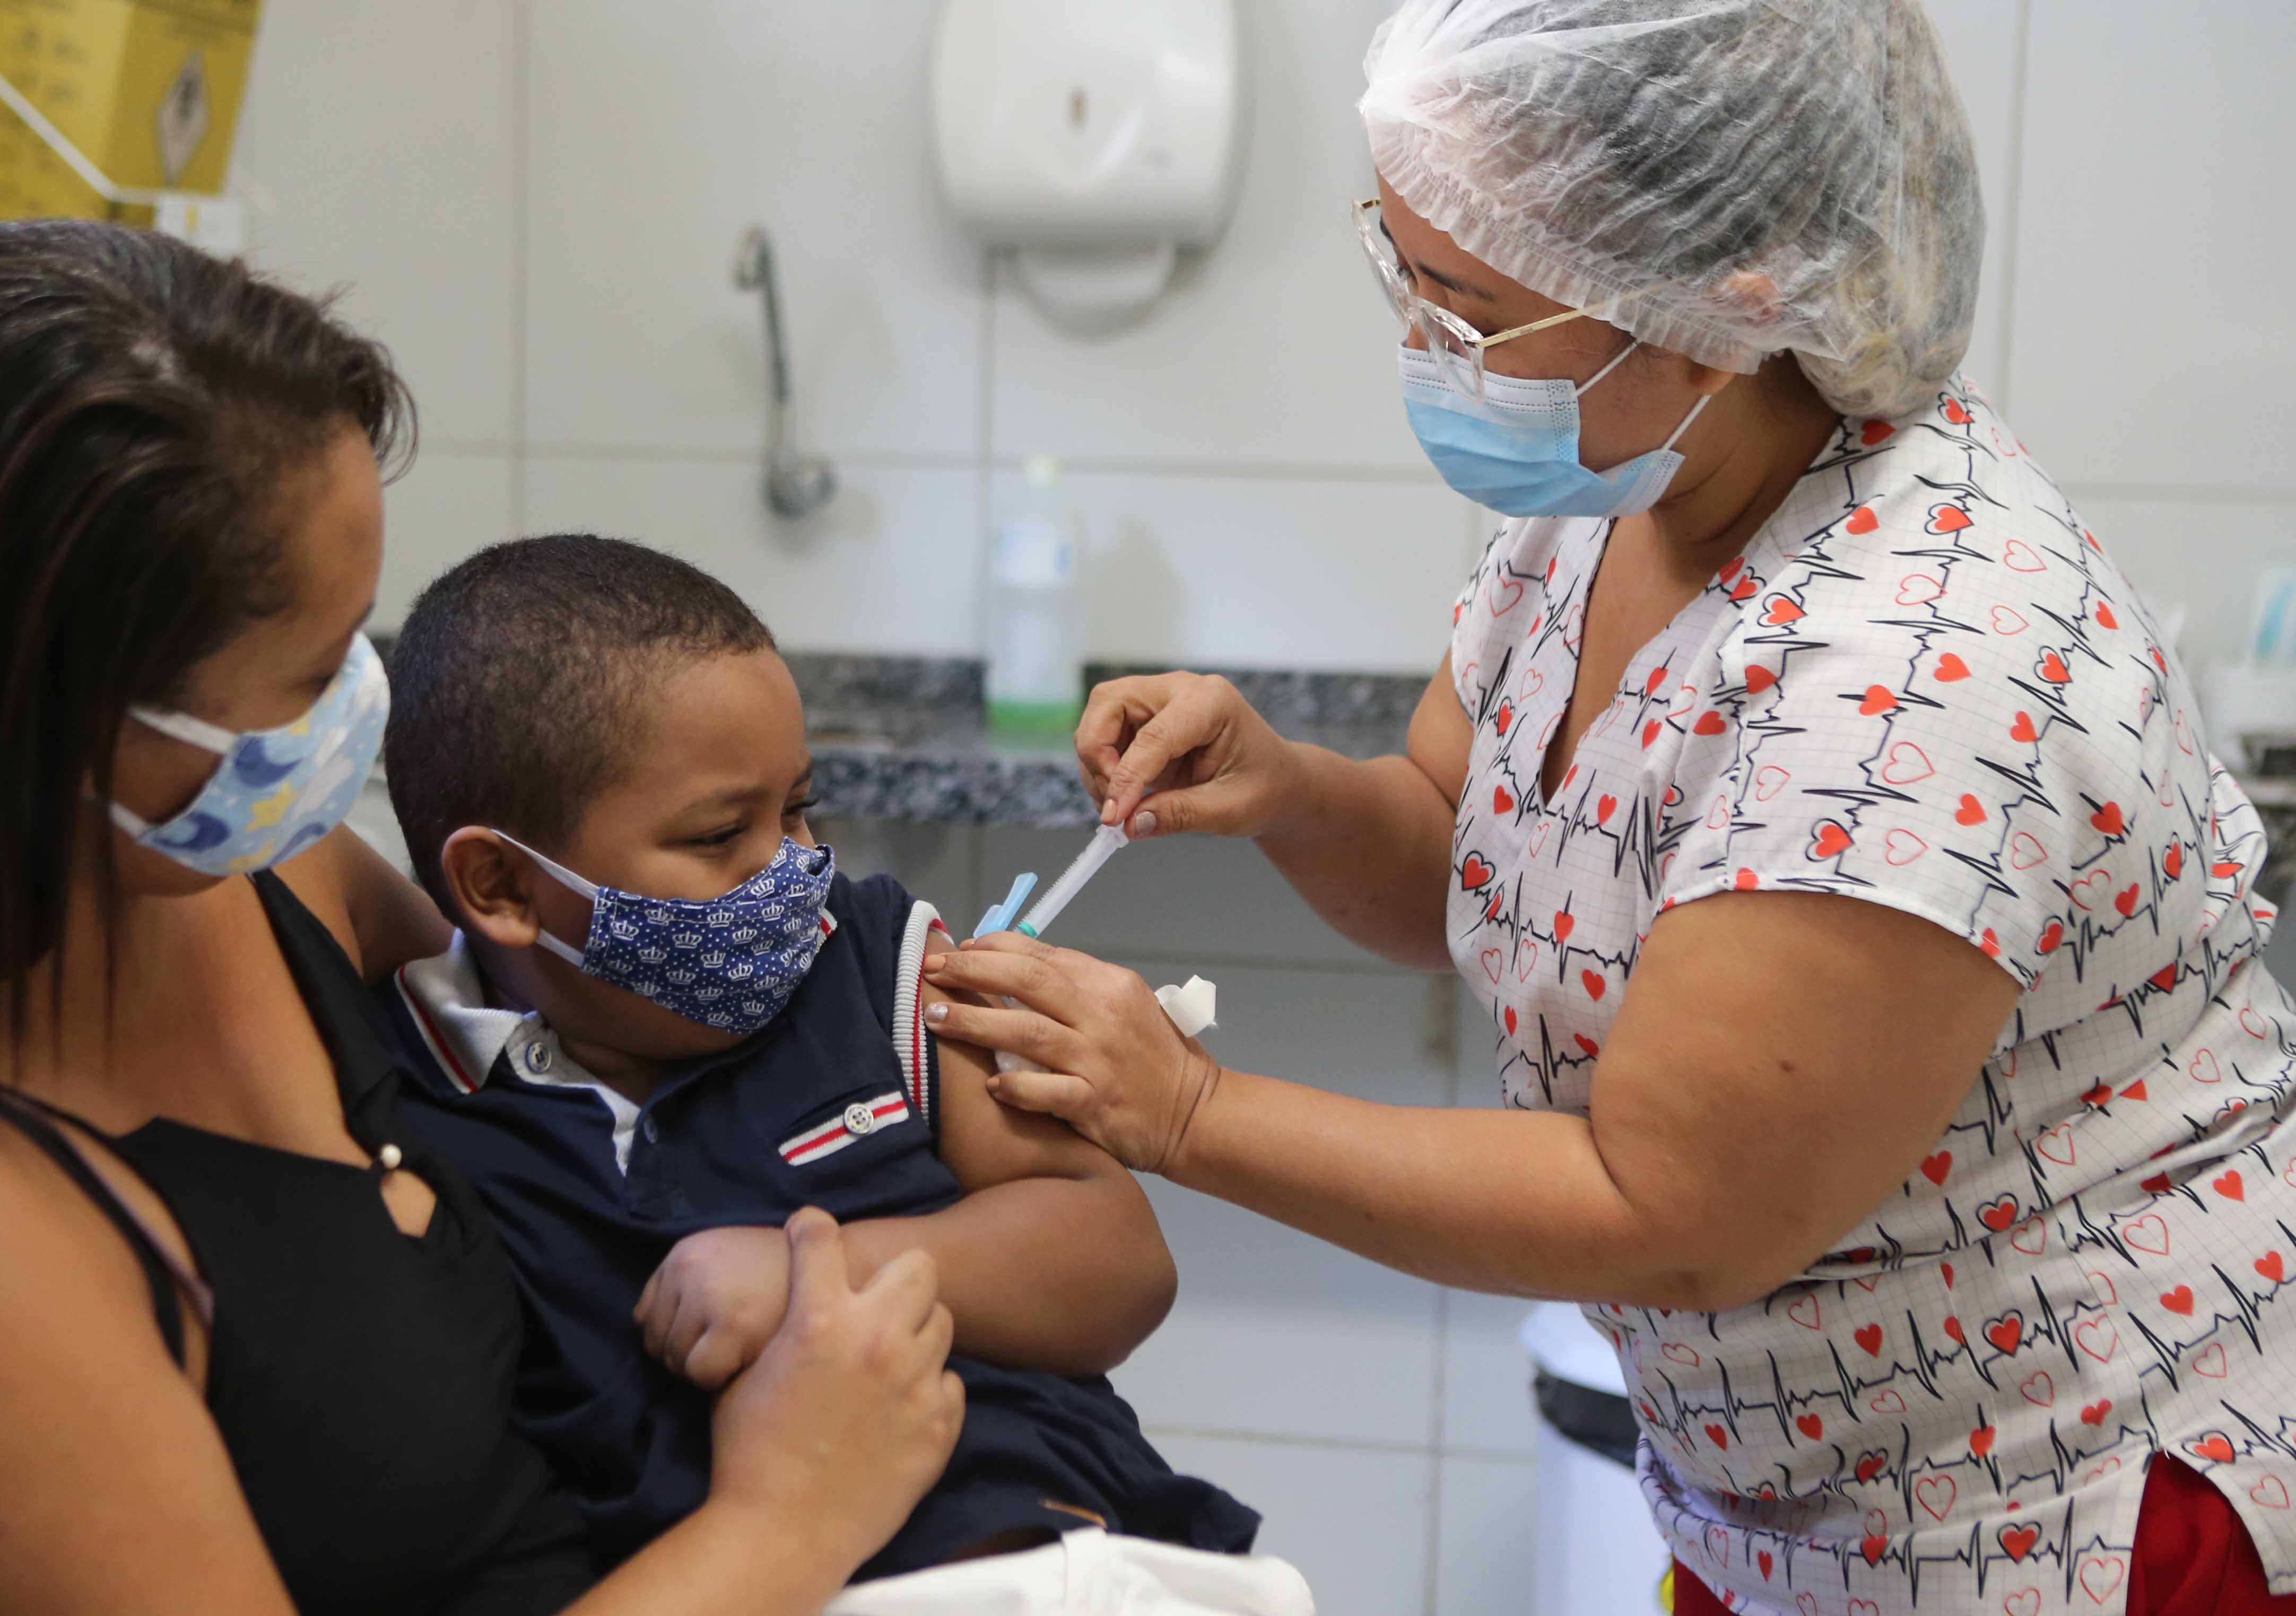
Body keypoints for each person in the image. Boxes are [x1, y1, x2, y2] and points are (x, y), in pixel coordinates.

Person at [917, 3, 2296, 1612]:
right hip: (1791, 1500)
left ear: (1728, 304)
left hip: (2063, 1509)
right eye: (1408, 275)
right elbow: (1461, 842)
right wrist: (1286, 791)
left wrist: (1186, 1111)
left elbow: (1672, 1207)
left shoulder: (1921, 667)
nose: (1430, 350)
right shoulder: (1622, 482)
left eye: (1476, 306)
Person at [0, 219, 964, 1616]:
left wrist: (929, 1015)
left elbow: (600, 998)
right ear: (50, 726)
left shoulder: (252, 883)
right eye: (314, 672)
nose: (353, 718)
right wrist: (786, 1513)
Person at [369, 535, 1312, 1616]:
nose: (790, 872)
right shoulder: (417, 1111)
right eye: (725, 832)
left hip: (1066, 1569)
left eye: (799, 809)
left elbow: (1118, 1263)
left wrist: (816, 1269)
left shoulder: (869, 965)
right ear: (500, 884)